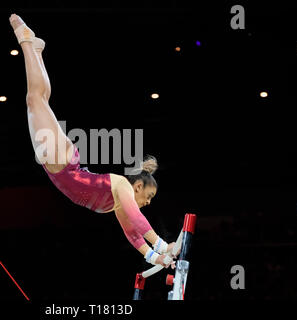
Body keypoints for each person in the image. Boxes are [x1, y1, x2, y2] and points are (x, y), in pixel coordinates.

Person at [9, 14, 179, 268]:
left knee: (38, 99)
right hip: (63, 163)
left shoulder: (118, 201)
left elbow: (132, 232)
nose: (148, 202)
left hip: (57, 165)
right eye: (149, 195)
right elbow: (138, 218)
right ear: (138, 186)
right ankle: (25, 41)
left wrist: (154, 258)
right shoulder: (122, 185)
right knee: (35, 99)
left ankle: (36, 49)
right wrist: (163, 245)